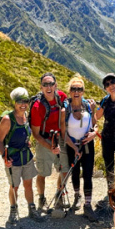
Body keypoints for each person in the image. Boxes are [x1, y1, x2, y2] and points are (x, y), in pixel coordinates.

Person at [0, 87, 41, 224]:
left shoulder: (26, 116)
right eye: (20, 101)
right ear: (14, 102)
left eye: (26, 101)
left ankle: (31, 209)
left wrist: (27, 143)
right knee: (14, 186)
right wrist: (4, 157)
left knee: (28, 184)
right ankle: (13, 210)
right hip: (13, 158)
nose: (23, 104)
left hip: (26, 156)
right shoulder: (7, 119)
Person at [30, 72, 69, 213]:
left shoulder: (61, 97)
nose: (48, 87)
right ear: (41, 87)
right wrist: (49, 146)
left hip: (60, 138)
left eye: (51, 84)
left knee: (64, 170)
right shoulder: (37, 107)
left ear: (55, 85)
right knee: (43, 172)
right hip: (44, 140)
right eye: (45, 84)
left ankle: (59, 196)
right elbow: (35, 134)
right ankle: (41, 198)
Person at [63, 76, 98, 221]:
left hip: (87, 145)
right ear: (69, 91)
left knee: (88, 173)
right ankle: (77, 196)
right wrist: (74, 147)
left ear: (83, 91)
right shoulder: (65, 109)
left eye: (79, 89)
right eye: (73, 89)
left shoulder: (89, 106)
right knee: (75, 172)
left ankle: (87, 205)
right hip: (72, 145)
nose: (76, 92)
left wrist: (94, 133)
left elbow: (94, 124)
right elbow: (63, 132)